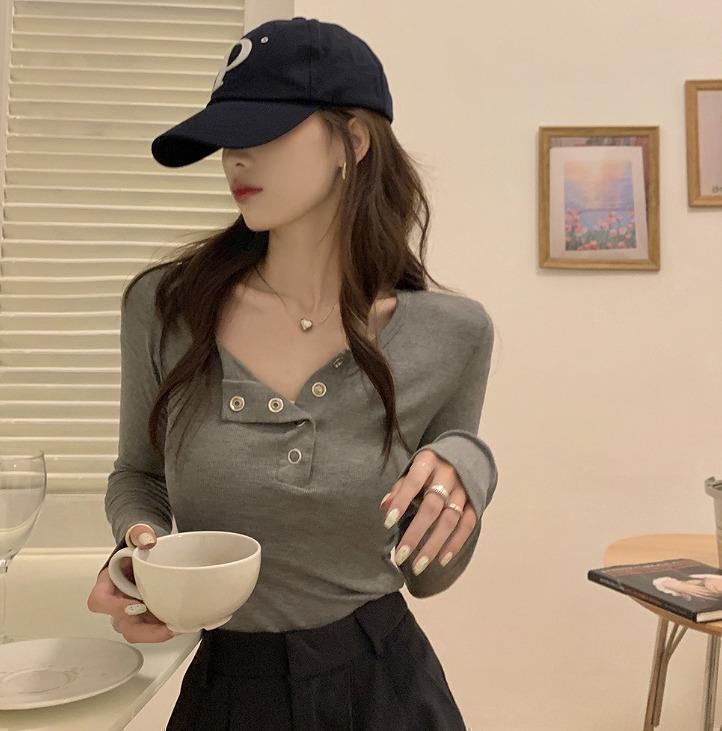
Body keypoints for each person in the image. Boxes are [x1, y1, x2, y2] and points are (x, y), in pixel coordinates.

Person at [86, 16, 498, 730]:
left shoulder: (453, 333)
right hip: (227, 690)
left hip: (386, 687)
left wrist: (472, 464)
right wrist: (139, 554)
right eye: (225, 136)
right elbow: (138, 475)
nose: (234, 158)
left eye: (262, 129)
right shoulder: (164, 307)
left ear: (354, 141)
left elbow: (429, 574)